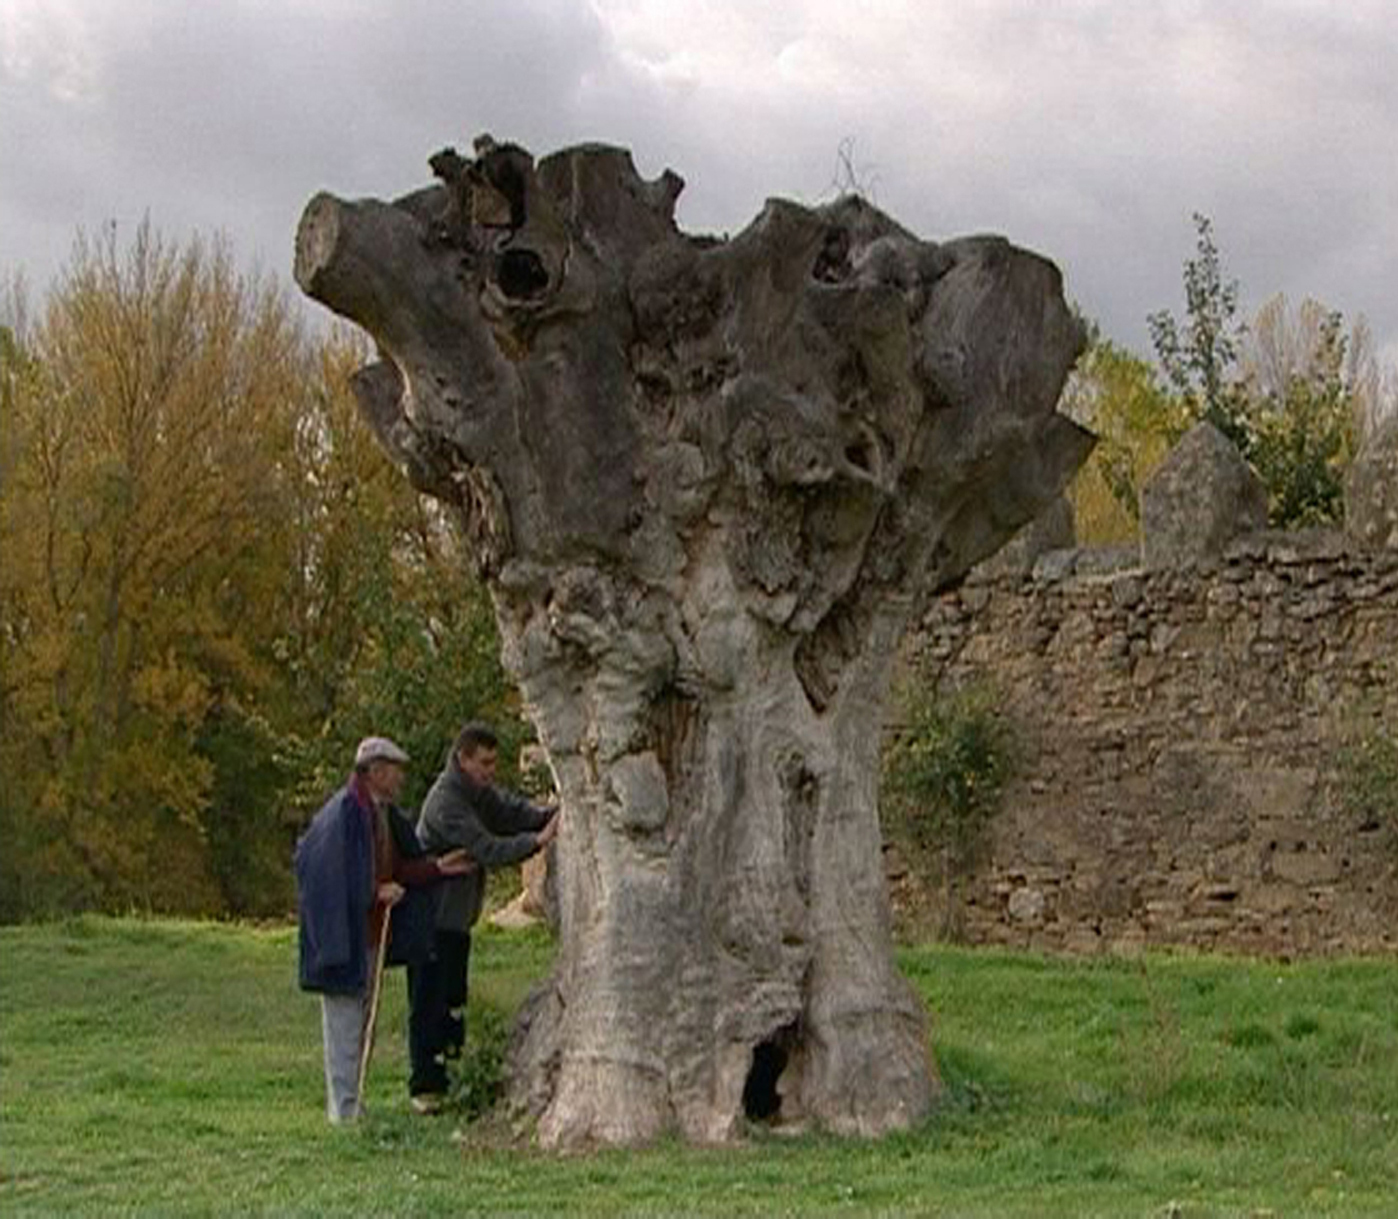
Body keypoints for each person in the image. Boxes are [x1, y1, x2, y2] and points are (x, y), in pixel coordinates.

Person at [295, 735, 472, 1123]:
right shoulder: (342, 815)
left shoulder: (382, 814)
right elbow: (328, 874)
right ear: (375, 772)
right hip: (342, 940)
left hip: (371, 936)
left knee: (360, 1026)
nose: (400, 780)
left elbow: (399, 867)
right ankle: (343, 1113)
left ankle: (354, 1102)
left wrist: (438, 869)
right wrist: (375, 891)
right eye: (395, 772)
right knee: (343, 1026)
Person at [409, 722, 558, 1113]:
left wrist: (549, 816)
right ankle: (425, 1087)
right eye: (484, 763)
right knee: (429, 1001)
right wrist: (537, 842)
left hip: (456, 919)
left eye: (494, 762)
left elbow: (511, 812)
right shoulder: (448, 803)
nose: (491, 770)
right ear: (463, 759)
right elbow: (488, 847)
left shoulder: (476, 794)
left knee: (454, 998)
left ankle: (453, 1078)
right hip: (432, 918)